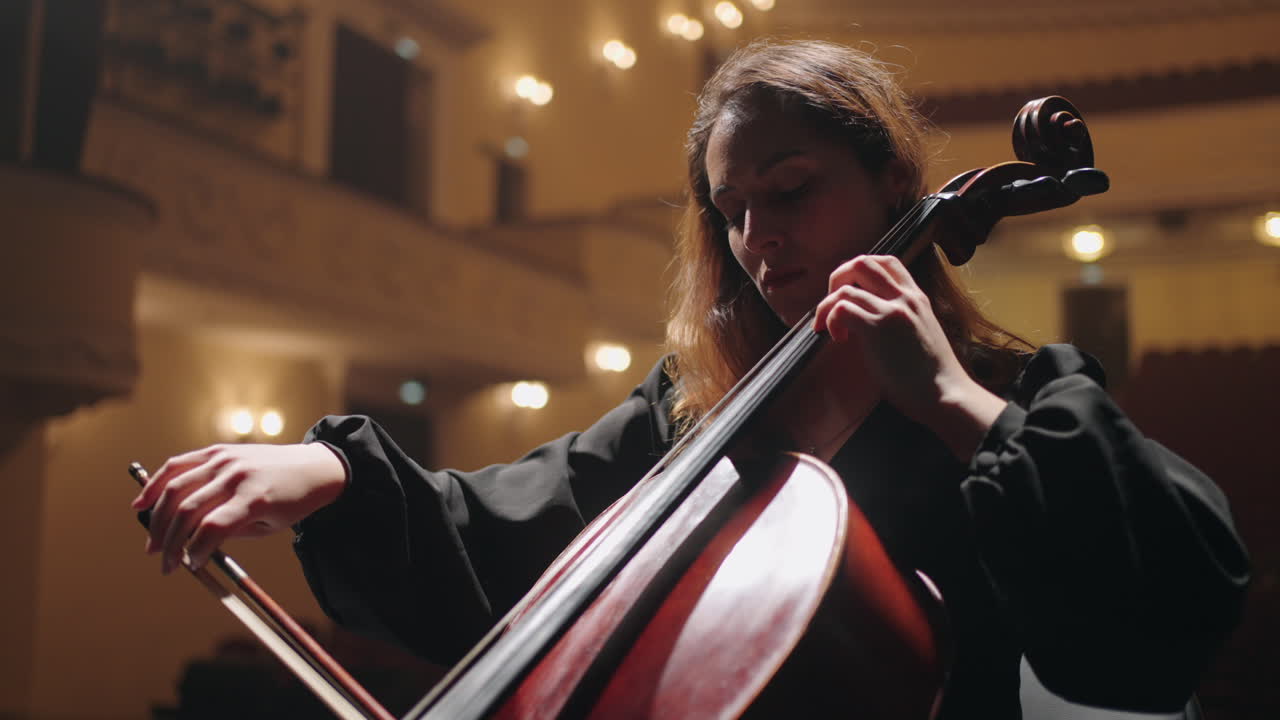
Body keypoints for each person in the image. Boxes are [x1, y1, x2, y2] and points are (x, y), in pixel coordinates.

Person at [133, 40, 1248, 718]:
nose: (760, 240)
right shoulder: (692, 417)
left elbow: (1171, 606)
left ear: (886, 186)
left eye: (791, 188)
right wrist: (325, 467)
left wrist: (951, 403)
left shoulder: (1019, 396)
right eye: (732, 212)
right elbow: (501, 530)